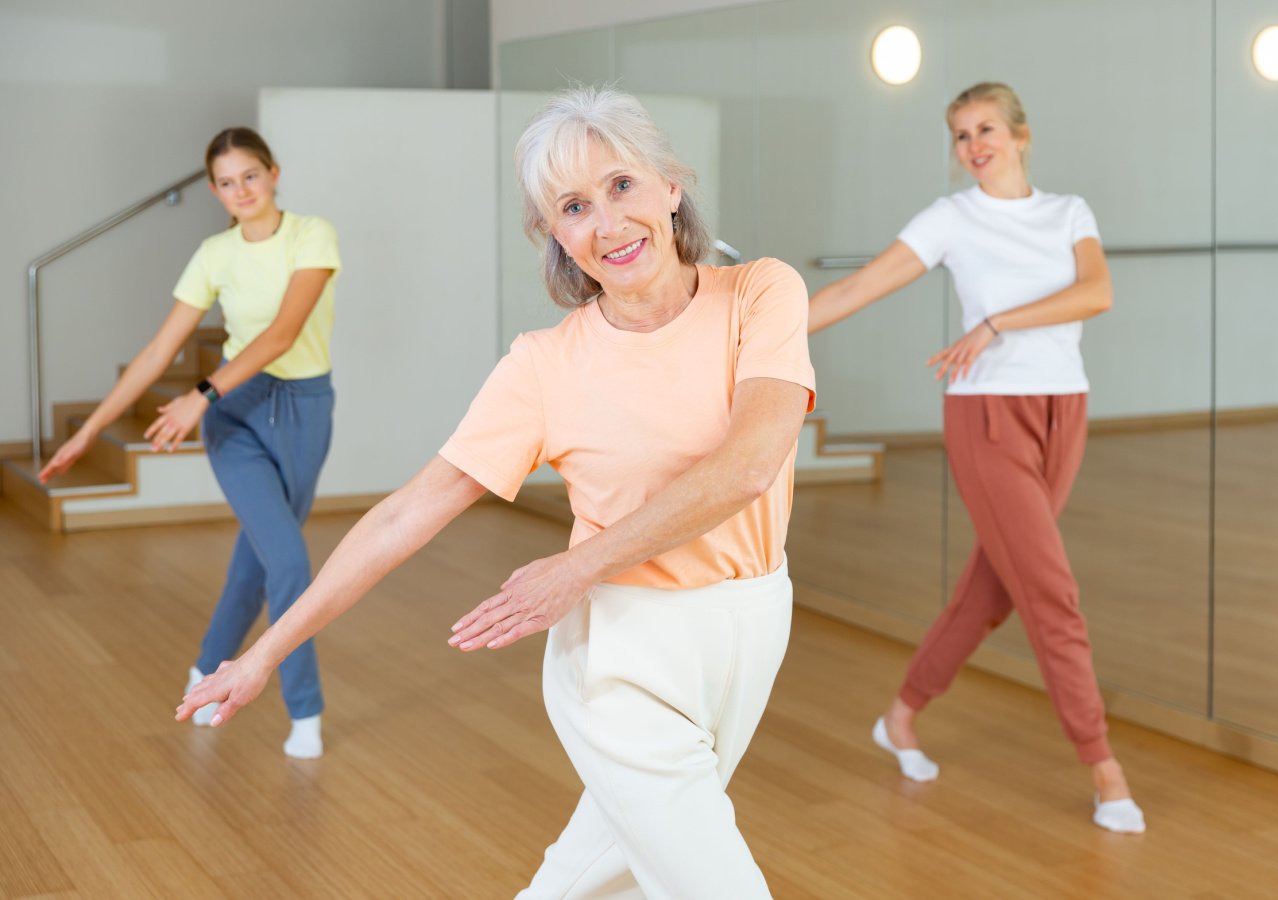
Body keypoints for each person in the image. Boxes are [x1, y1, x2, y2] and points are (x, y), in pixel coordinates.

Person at [178, 87, 815, 899]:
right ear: (555, 234)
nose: (608, 224)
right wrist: (264, 653)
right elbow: (408, 512)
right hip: (617, 650)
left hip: (751, 622)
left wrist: (575, 565)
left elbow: (750, 465)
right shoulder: (544, 366)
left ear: (670, 187)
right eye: (574, 206)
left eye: (622, 186)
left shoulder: (761, 293)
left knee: (588, 878)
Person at [807, 82, 1142, 834]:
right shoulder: (951, 219)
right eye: (960, 135)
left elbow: (1098, 292)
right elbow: (863, 284)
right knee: (1051, 594)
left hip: (1066, 410)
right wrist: (759, 335)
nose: (973, 145)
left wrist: (995, 323)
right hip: (986, 418)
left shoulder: (1069, 212)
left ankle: (900, 715)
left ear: (1021, 135)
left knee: (992, 591)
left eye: (986, 128)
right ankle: (1104, 768)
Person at [41, 126, 340, 760]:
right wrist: (90, 430)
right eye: (226, 183)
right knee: (287, 561)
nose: (241, 191)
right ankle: (305, 708)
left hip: (306, 409)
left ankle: (205, 671)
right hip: (237, 416)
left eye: (251, 176)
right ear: (213, 190)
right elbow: (157, 351)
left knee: (258, 561)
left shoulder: (311, 235)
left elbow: (283, 335)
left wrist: (198, 392)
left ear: (274, 173)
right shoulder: (214, 254)